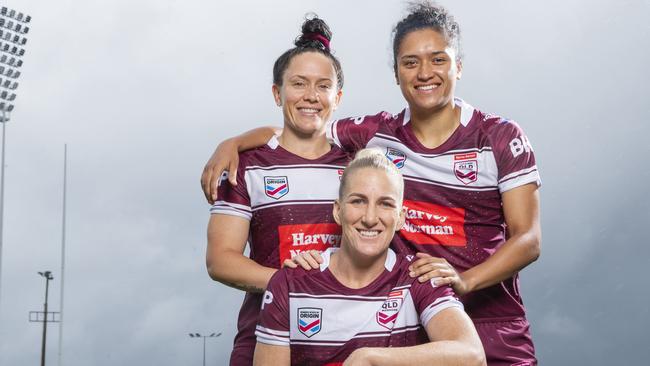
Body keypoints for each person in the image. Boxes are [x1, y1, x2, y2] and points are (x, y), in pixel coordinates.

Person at [202, 3, 542, 365]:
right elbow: (303, 129)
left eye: (438, 59)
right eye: (410, 62)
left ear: (458, 65)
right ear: (396, 73)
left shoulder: (500, 137)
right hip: (410, 327)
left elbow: (529, 239)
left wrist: (465, 280)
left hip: (491, 324)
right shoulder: (376, 134)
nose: (424, 72)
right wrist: (234, 143)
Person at [205, 17, 350, 366]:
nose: (311, 96)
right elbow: (220, 259)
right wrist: (291, 282)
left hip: (347, 342)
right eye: (298, 84)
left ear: (338, 97)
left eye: (323, 86)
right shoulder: (246, 166)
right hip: (263, 340)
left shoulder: (359, 165)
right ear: (277, 92)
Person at [253, 149, 485, 366]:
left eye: (385, 204)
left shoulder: (419, 276)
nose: (370, 218)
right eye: (358, 201)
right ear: (338, 210)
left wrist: (371, 358)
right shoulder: (290, 282)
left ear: (401, 217)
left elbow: (473, 356)